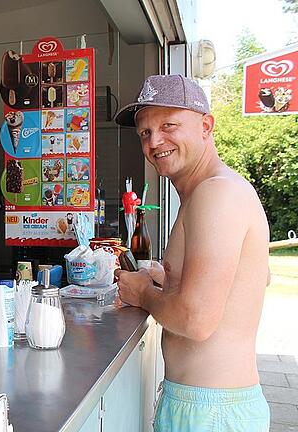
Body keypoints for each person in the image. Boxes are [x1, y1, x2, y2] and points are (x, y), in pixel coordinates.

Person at [113, 75, 270, 431]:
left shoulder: (216, 195)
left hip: (211, 412)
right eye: (145, 132)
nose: (155, 141)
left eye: (169, 125)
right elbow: (255, 277)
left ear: (206, 126)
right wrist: (168, 280)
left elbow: (196, 320)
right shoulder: (208, 192)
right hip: (202, 404)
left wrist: (143, 292)